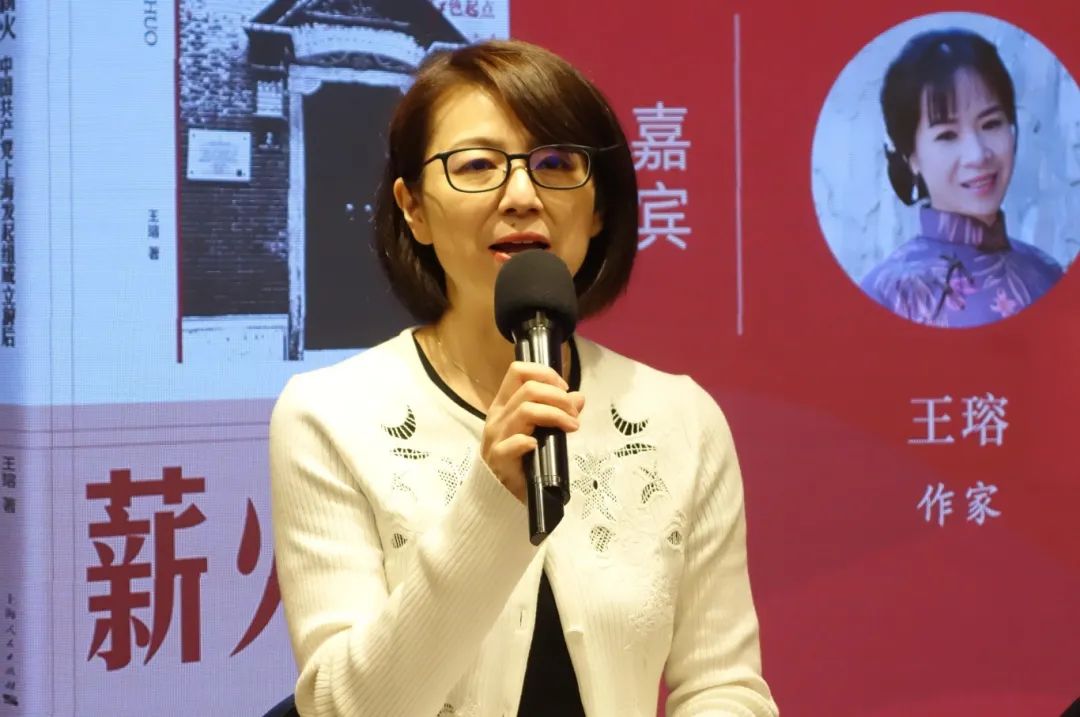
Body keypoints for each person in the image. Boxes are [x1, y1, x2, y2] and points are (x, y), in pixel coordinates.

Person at [269, 39, 778, 717]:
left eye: (556, 163)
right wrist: (491, 502)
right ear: (413, 208)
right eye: (477, 165)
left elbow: (724, 686)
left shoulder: (678, 417)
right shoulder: (330, 414)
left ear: (599, 208)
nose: (521, 196)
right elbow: (344, 708)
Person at [861, 28, 1063, 328]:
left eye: (991, 124)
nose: (978, 155)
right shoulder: (888, 296)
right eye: (947, 135)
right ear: (911, 157)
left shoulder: (1048, 273)